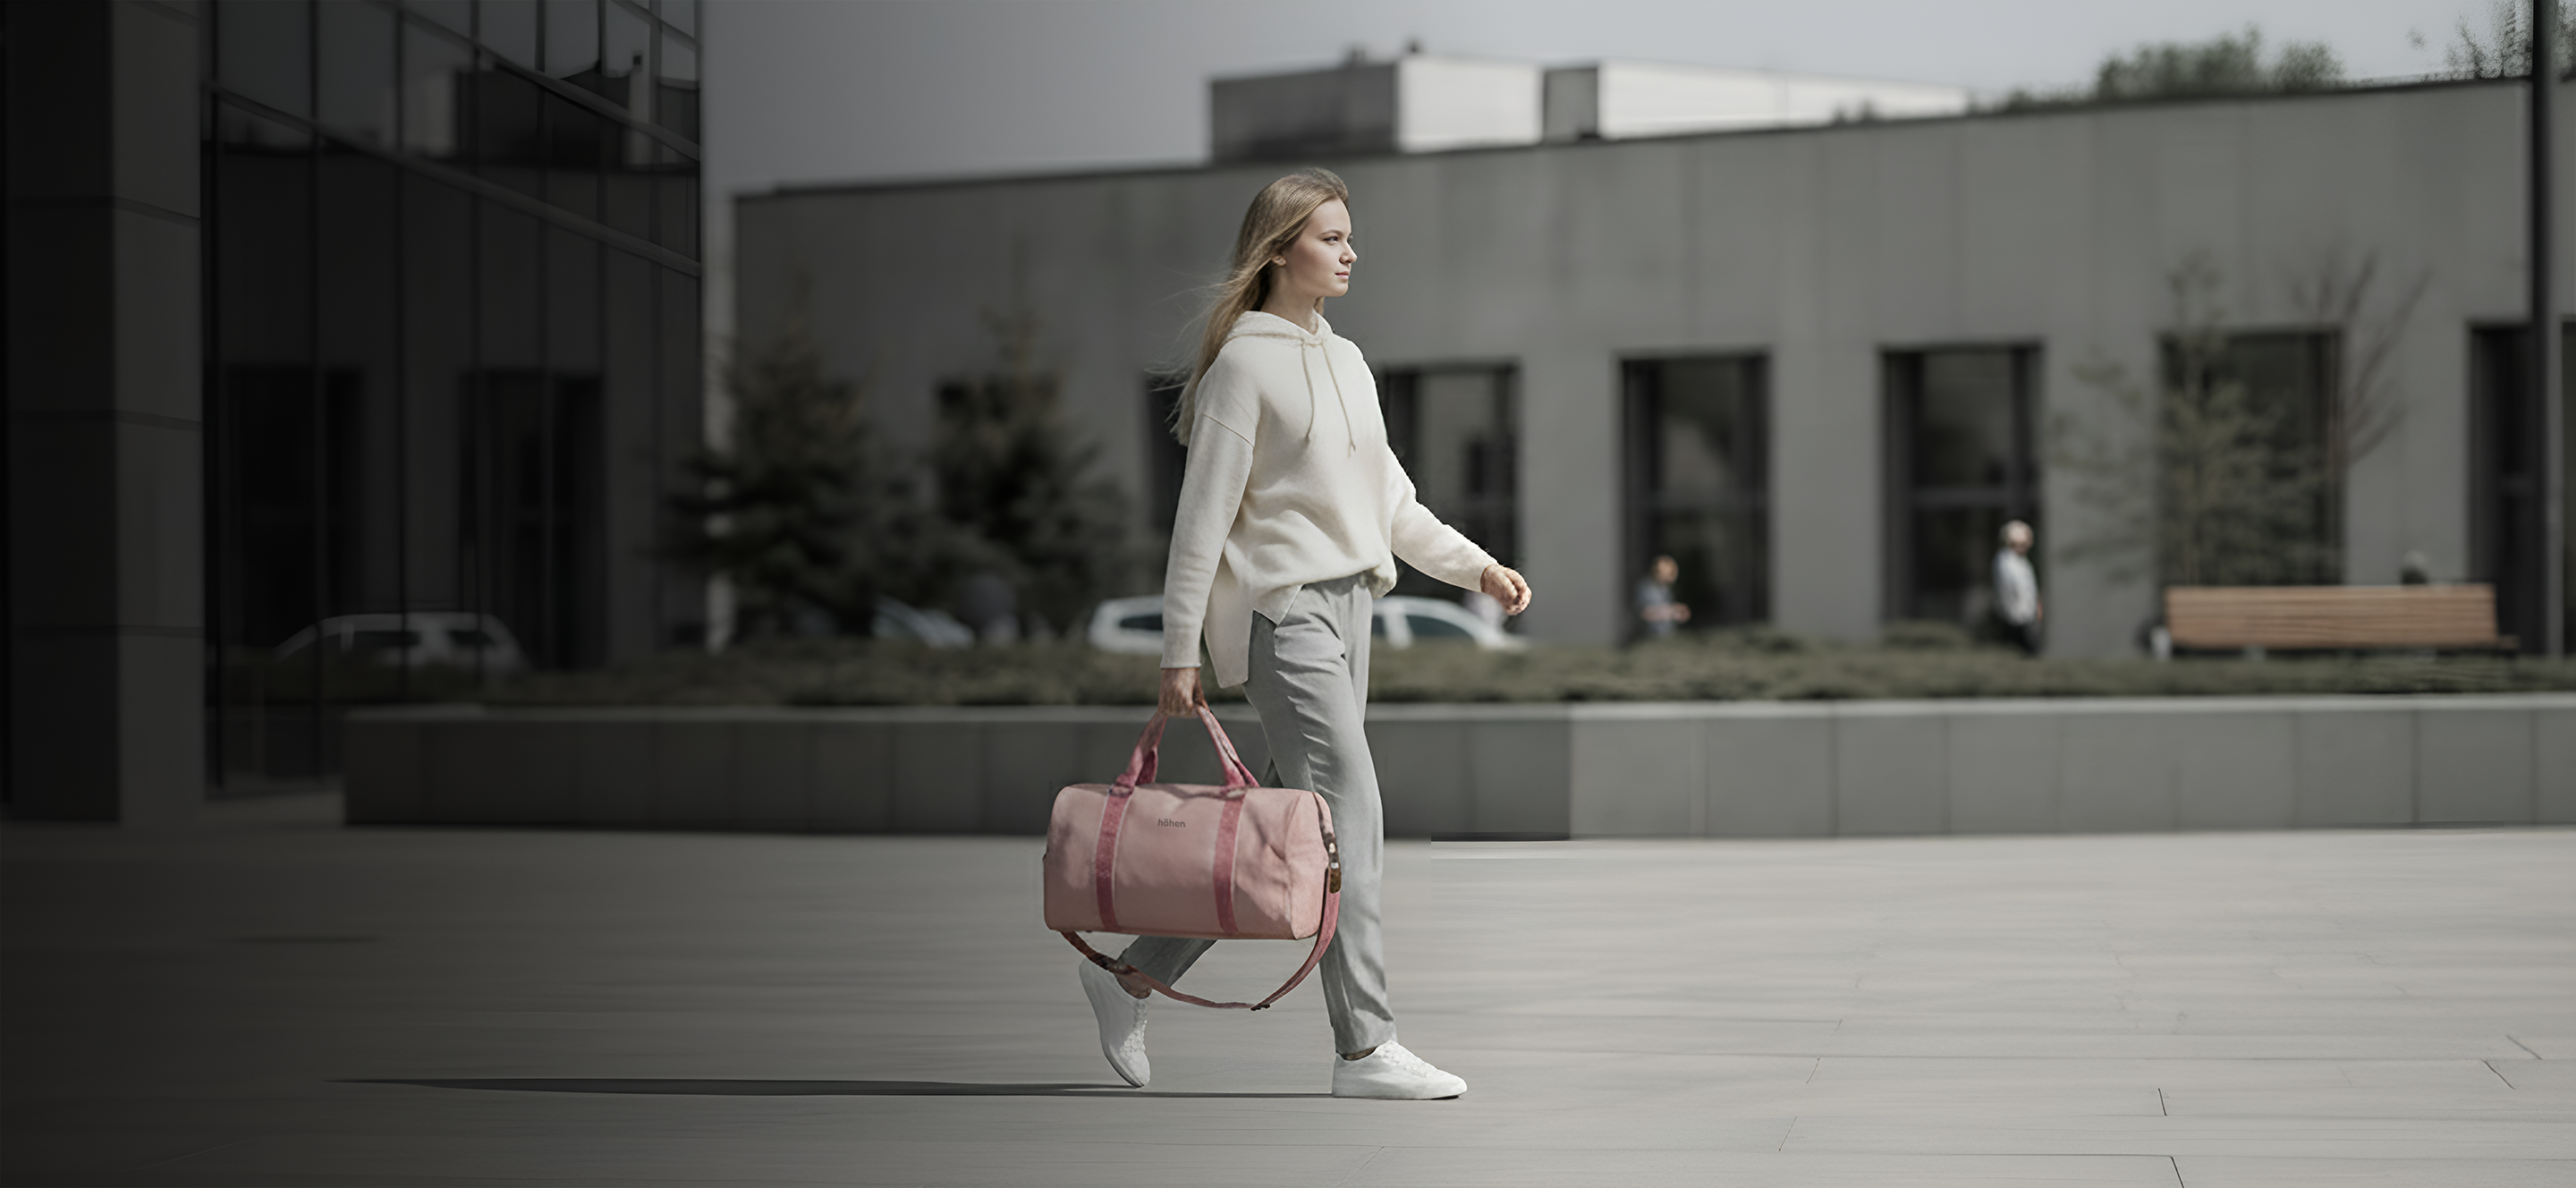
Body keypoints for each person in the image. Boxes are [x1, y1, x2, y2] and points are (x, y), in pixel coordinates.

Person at [1078, 167, 1533, 1100]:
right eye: (1330, 236)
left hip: (1353, 610)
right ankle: (1365, 1046)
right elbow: (1199, 519)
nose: (1350, 250)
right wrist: (1179, 649)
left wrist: (1476, 565)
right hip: (1286, 620)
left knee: (1279, 830)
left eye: (1348, 234)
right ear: (1281, 249)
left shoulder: (1350, 360)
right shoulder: (1243, 366)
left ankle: (1128, 973)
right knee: (1350, 817)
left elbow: (1391, 504)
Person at [1993, 521, 2041, 656]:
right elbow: (2008, 592)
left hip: (2027, 619)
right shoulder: (2004, 562)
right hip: (2014, 620)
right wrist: (2015, 616)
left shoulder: (2022, 562)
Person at [1635, 554, 1690, 639]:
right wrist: (1671, 612)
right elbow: (1644, 614)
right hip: (1650, 637)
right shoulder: (1646, 589)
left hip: (1665, 636)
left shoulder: (1664, 589)